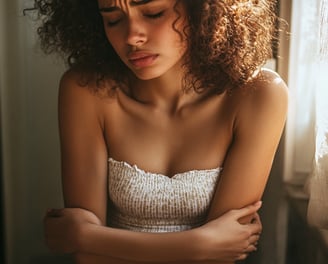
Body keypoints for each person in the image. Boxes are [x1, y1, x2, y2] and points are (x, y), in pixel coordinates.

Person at [36, 0, 288, 263]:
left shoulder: (259, 95)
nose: (132, 36)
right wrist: (198, 245)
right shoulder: (86, 90)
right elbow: (87, 257)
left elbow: (219, 259)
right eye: (113, 20)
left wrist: (87, 235)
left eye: (154, 13)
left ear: (202, 9)